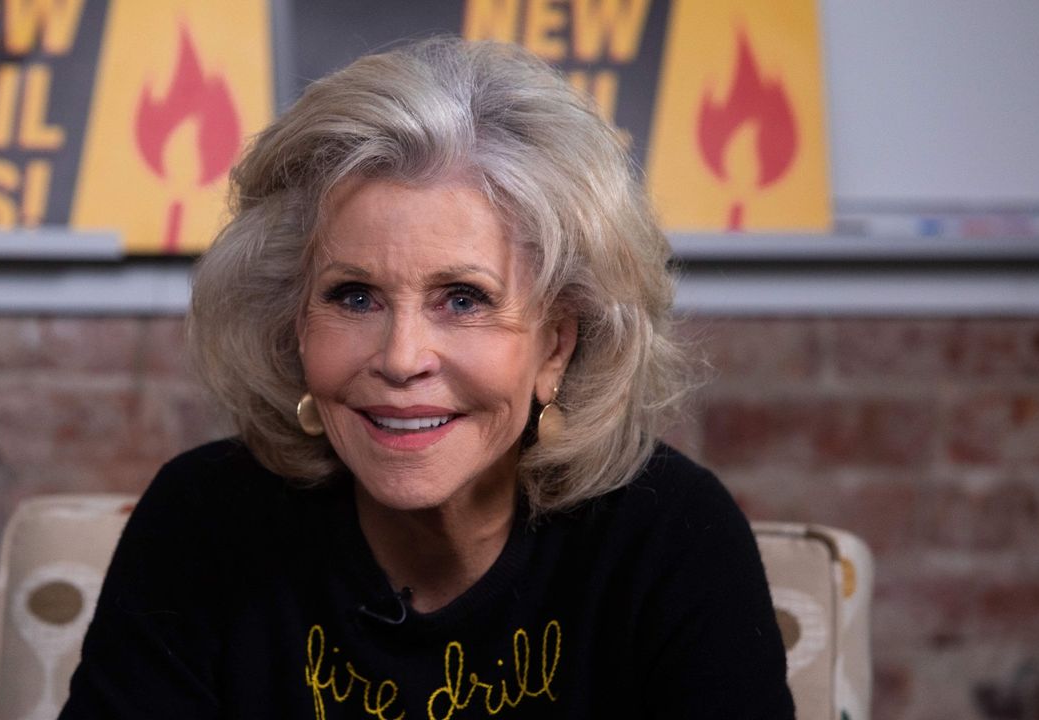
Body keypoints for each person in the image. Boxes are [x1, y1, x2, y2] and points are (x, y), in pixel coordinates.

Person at [60, 38, 793, 719]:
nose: (402, 356)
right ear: (294, 323)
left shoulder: (670, 537)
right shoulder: (202, 521)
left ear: (555, 349)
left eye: (463, 299)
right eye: (354, 296)